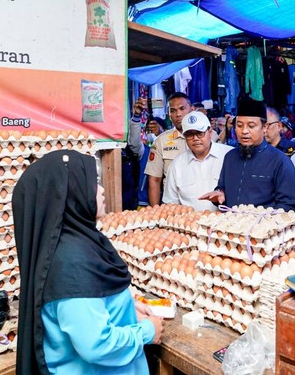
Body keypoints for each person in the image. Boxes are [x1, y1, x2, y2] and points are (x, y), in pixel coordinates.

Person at [13, 150, 163, 374]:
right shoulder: (71, 265)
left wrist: (127, 308)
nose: (102, 190)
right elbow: (96, 345)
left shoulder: (79, 242)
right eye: (93, 183)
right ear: (72, 193)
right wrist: (146, 331)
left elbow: (93, 302)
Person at [200, 99, 295, 211]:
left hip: (264, 227)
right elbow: (222, 187)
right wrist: (220, 193)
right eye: (240, 125)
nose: (244, 131)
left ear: (264, 127)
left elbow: (288, 205)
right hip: (231, 225)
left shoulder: (280, 161)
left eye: (251, 126)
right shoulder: (230, 157)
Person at [163, 111, 232, 211]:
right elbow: (170, 204)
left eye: (200, 133)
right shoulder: (177, 165)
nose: (195, 138)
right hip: (189, 225)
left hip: (226, 224)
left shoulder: (229, 156)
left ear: (210, 131)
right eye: (189, 135)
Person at [144, 92, 193, 206]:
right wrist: (156, 212)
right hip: (172, 206)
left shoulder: (208, 136)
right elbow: (154, 180)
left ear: (191, 110)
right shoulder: (161, 141)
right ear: (169, 115)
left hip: (201, 205)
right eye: (173, 111)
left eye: (182, 109)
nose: (178, 114)